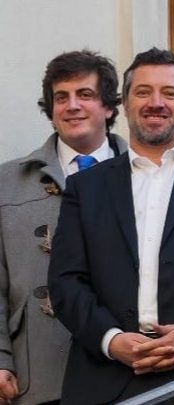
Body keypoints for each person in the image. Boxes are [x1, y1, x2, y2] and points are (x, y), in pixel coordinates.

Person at [47, 48, 174, 404]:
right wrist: (111, 340)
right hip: (104, 381)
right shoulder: (86, 186)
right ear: (125, 105)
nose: (155, 103)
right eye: (143, 92)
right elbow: (66, 280)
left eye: (169, 93)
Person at [0, 50, 126, 405]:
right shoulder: (7, 183)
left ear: (109, 106)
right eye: (61, 97)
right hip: (38, 373)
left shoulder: (144, 174)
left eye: (85, 95)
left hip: (128, 371)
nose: (72, 106)